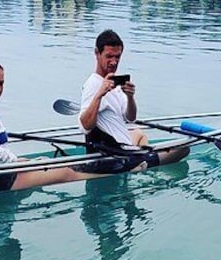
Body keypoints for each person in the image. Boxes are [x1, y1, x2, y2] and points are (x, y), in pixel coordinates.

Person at [0, 55, 107, 192]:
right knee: (66, 172)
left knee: (38, 162)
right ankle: (107, 174)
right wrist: (15, 162)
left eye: (1, 83)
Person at [79, 30, 189, 171]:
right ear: (97, 53)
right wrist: (99, 95)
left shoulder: (114, 82)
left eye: (118, 57)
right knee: (183, 150)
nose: (114, 62)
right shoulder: (93, 84)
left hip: (122, 148)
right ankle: (140, 165)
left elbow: (130, 118)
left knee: (137, 131)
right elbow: (85, 127)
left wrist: (130, 97)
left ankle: (141, 158)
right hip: (116, 156)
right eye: (109, 56)